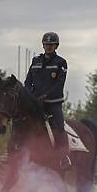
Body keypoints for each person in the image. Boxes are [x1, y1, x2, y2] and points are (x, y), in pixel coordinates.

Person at [24, 32, 71, 170]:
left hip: (53, 103)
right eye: (46, 44)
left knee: (60, 128)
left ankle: (63, 157)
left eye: (51, 44)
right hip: (35, 103)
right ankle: (15, 152)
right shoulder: (35, 61)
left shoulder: (61, 62)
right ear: (43, 45)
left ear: (56, 46)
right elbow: (28, 81)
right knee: (21, 123)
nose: (49, 47)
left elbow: (59, 84)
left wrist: (45, 96)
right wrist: (29, 95)